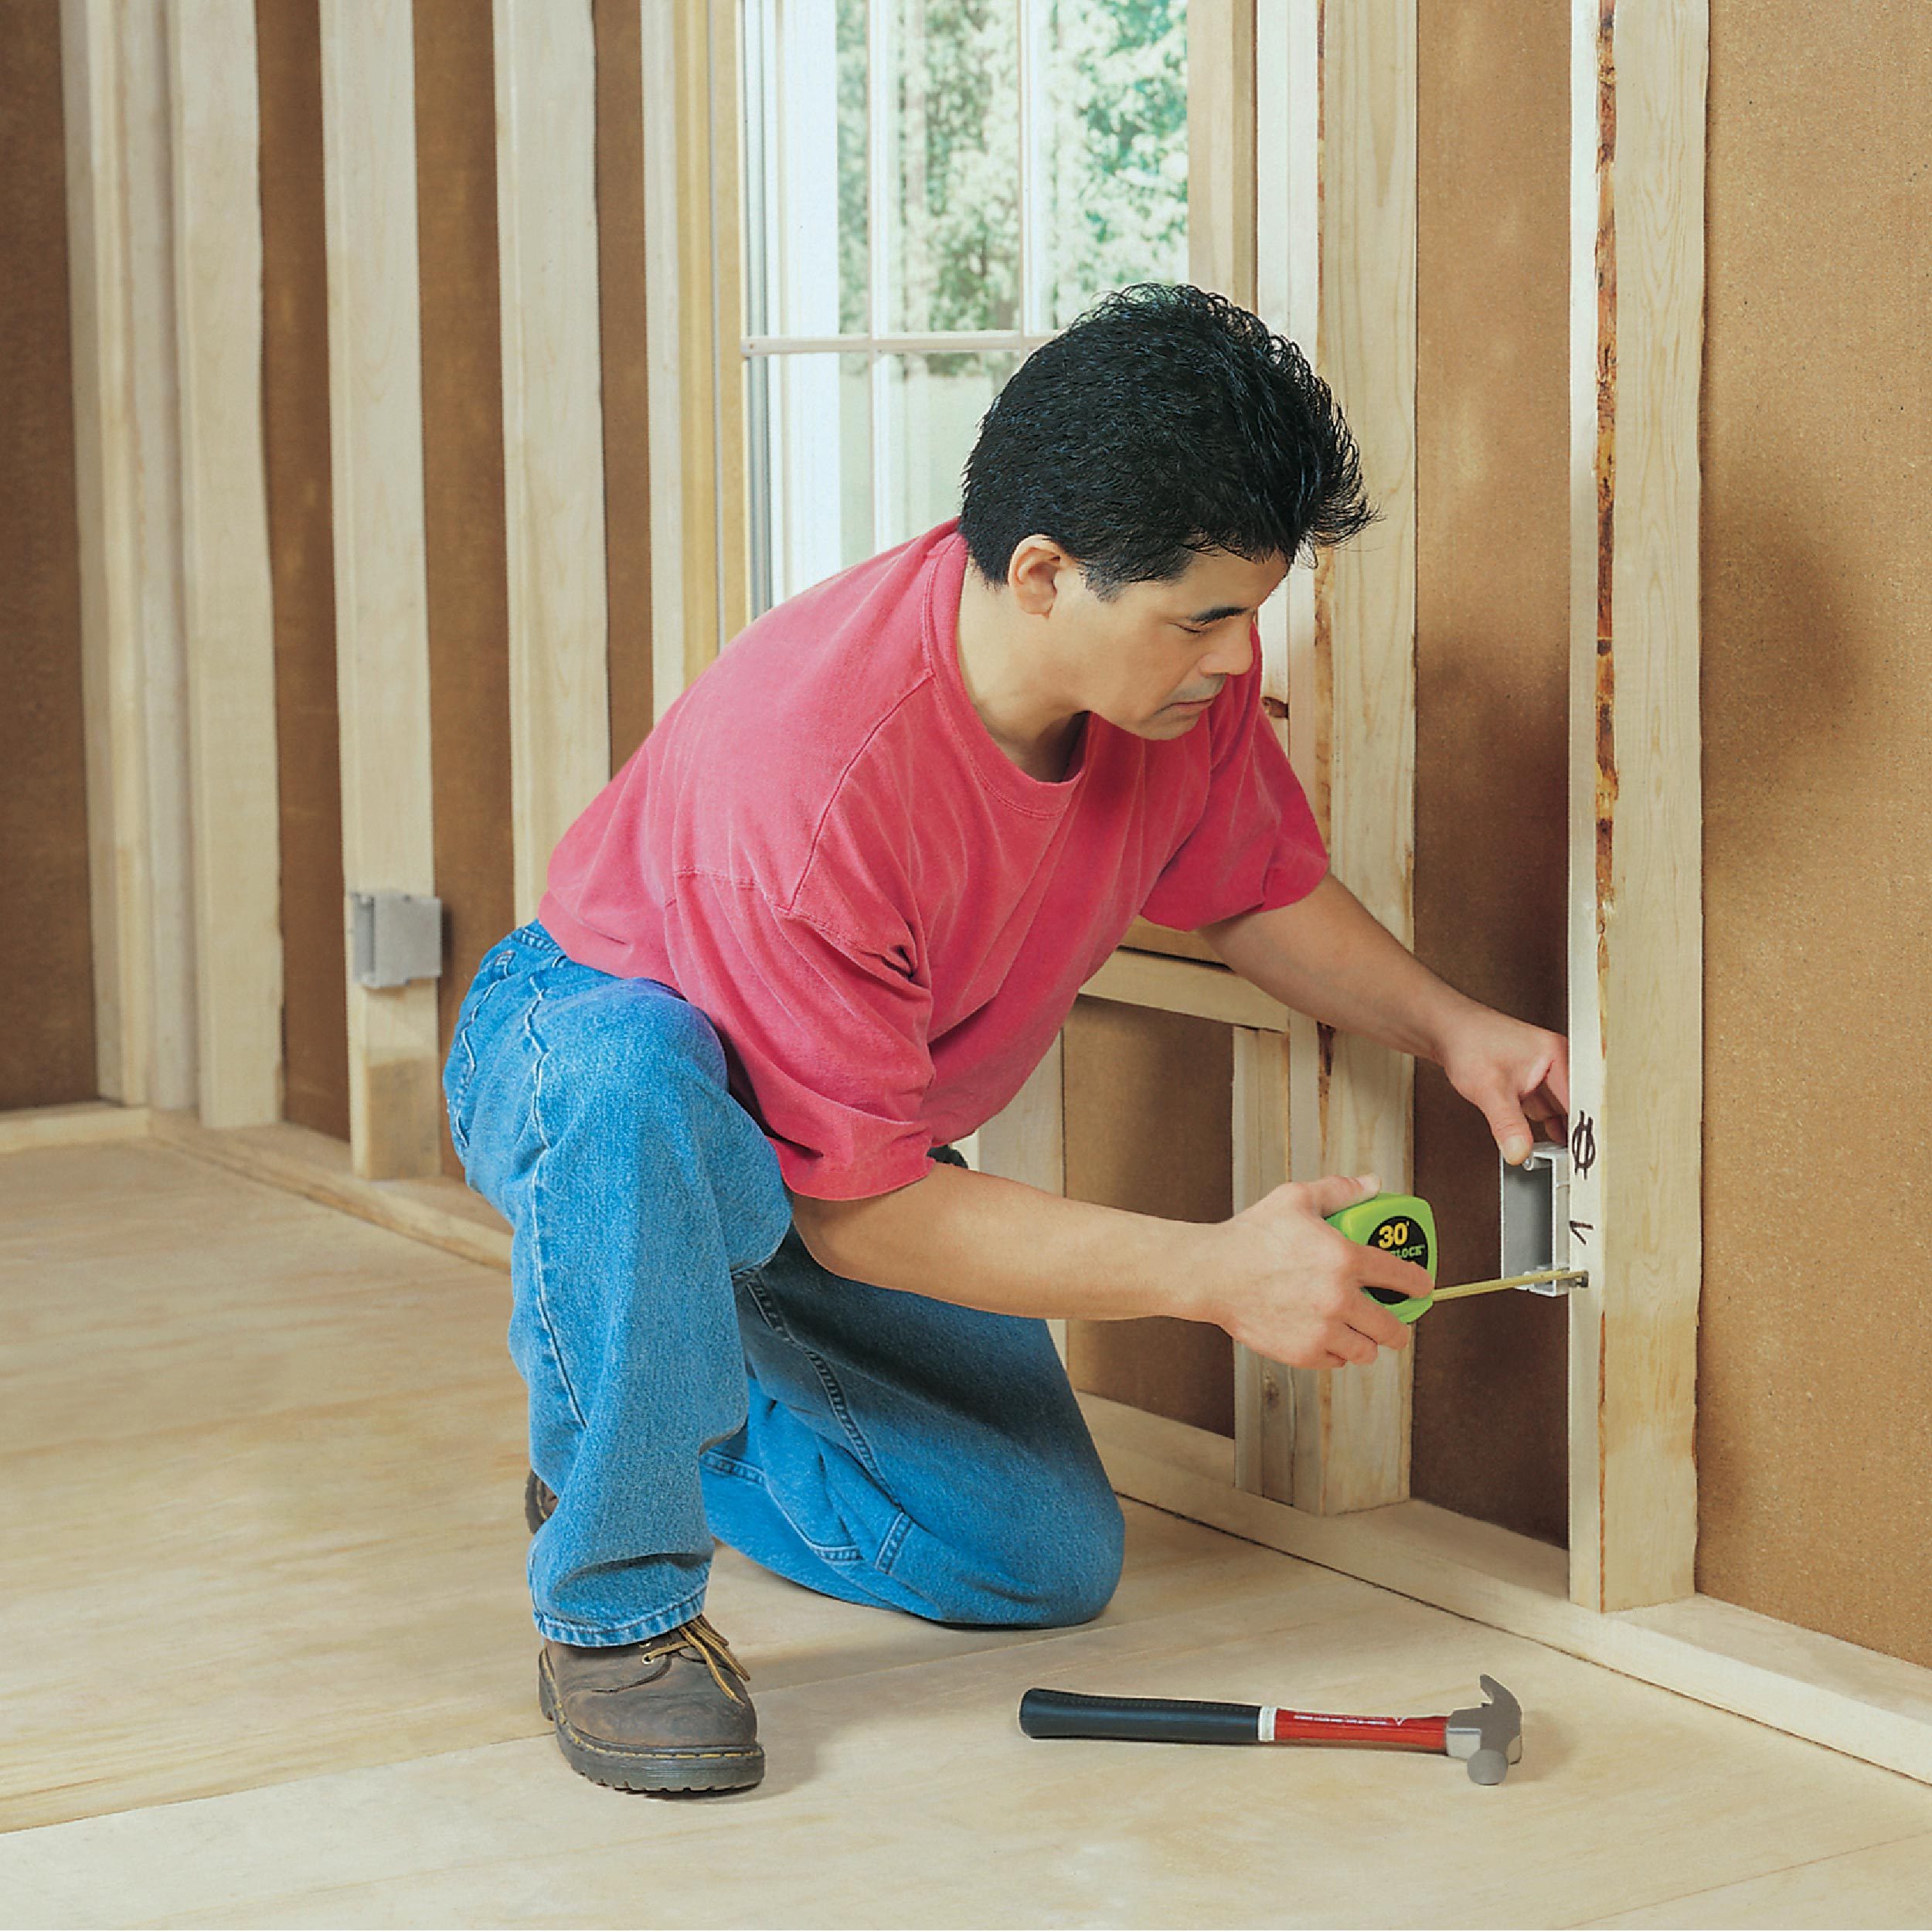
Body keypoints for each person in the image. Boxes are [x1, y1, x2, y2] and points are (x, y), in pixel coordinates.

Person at [442, 284, 1570, 1796]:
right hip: (608, 1080)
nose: (1237, 661)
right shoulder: (812, 772)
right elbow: (864, 1214)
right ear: (1042, 574)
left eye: (1251, 610)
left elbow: (1253, 885)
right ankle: (616, 1605)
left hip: (844, 1148)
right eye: (1206, 617)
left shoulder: (1163, 692)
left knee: (1039, 1551)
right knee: (634, 1071)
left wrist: (1453, 1027)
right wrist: (1213, 1270)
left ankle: (623, 1403)